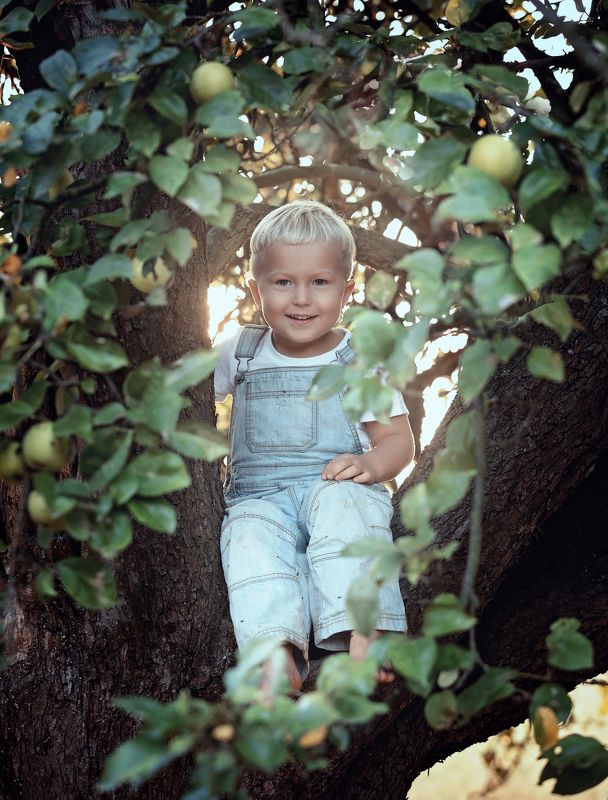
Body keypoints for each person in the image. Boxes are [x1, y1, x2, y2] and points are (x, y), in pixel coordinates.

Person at [214, 200, 415, 696]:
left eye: (320, 282)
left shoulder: (359, 359)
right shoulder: (239, 351)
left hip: (334, 484)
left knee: (347, 517)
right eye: (282, 282)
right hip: (258, 497)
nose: (300, 298)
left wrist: (371, 463)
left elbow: (397, 439)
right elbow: (178, 404)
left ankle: (369, 627)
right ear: (255, 284)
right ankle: (274, 652)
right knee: (249, 545)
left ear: (347, 291)